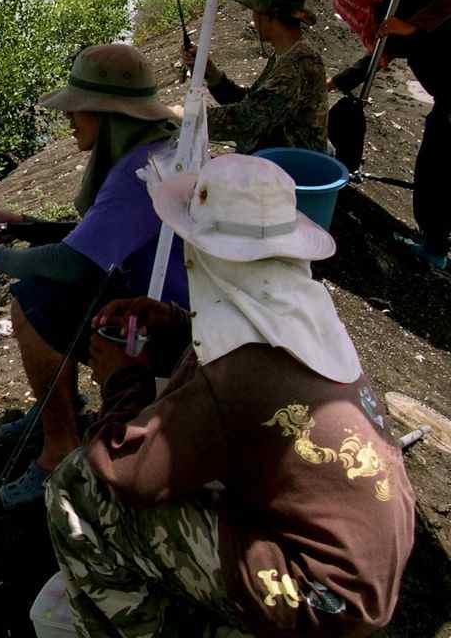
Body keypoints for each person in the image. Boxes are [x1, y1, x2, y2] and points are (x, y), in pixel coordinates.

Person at [45, 154, 415, 637]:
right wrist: (177, 325)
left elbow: (129, 473)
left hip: (320, 598)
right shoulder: (307, 318)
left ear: (206, 254)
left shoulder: (237, 376)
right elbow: (241, 383)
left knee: (76, 487)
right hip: (362, 571)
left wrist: (122, 379)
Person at [0, 44, 190, 507]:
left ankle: (57, 450)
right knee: (39, 293)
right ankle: (51, 410)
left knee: (34, 300)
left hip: (169, 336)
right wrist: (27, 225)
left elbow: (75, 263)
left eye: (78, 110)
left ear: (108, 115)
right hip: (175, 306)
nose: (70, 120)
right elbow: (109, 232)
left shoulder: (136, 175)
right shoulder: (157, 151)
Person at [330, 0, 451, 269]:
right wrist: (335, 82)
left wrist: (412, 27)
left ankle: (435, 248)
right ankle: (436, 240)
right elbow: (375, 60)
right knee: (434, 169)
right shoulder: (389, 13)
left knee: (433, 172)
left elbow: (446, 4)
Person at [183, 0, 328, 155]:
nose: (252, 19)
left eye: (254, 12)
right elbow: (254, 102)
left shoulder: (298, 65)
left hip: (292, 171)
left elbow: (246, 120)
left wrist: (185, 118)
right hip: (276, 159)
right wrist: (211, 72)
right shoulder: (285, 54)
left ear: (268, 16)